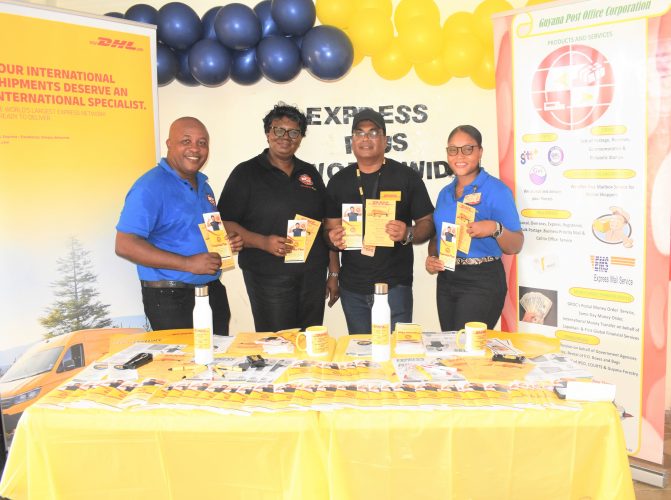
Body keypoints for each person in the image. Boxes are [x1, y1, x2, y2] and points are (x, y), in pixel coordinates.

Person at [217, 103, 339, 332]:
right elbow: (224, 222)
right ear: (267, 133)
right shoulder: (246, 173)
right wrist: (262, 242)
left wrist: (333, 272)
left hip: (311, 276)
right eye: (278, 130)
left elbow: (328, 226)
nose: (286, 137)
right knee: (278, 346)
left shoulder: (310, 172)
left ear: (300, 137)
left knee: (310, 343)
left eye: (294, 132)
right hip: (268, 277)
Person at [115, 117, 242, 335]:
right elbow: (125, 245)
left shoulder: (204, 186)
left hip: (211, 292)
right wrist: (187, 263)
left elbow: (198, 233)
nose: (195, 148)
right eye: (186, 141)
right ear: (169, 144)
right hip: (171, 299)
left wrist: (226, 243)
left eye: (202, 143)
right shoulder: (150, 186)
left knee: (218, 364)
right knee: (183, 368)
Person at [325, 108, 435, 334]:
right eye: (359, 133)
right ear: (352, 141)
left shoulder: (406, 177)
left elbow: (428, 222)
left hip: (395, 287)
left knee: (396, 354)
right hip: (353, 289)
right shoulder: (338, 182)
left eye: (373, 133)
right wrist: (332, 239)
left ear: (385, 140)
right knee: (362, 358)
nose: (365, 138)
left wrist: (408, 233)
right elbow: (328, 230)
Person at [425, 125, 523, 331]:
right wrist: (432, 257)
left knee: (468, 350)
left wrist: (495, 228)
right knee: (451, 348)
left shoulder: (496, 190)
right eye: (453, 149)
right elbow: (438, 236)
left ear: (480, 152)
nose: (459, 155)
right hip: (447, 278)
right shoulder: (445, 193)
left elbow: (516, 245)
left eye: (467, 149)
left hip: (481, 281)